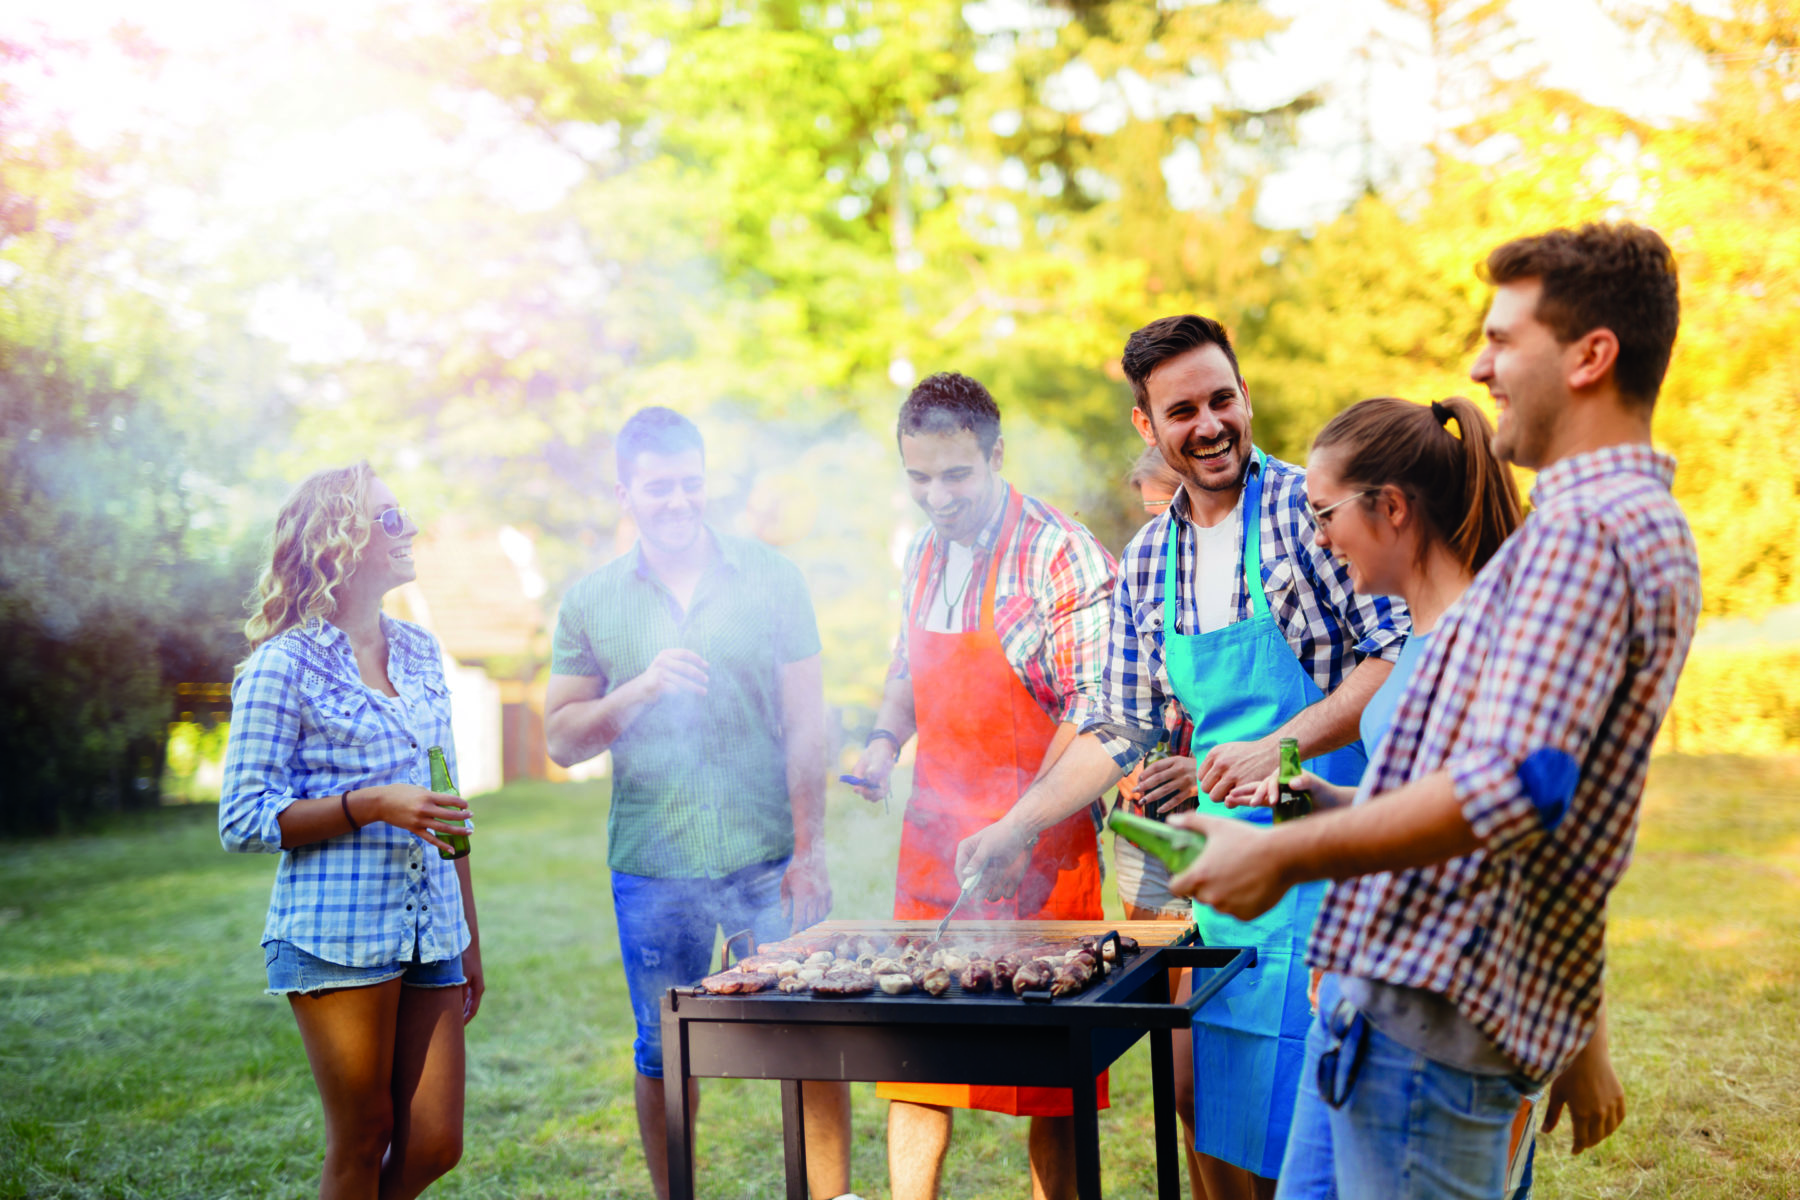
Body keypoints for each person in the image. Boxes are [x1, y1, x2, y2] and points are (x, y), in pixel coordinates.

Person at [1170, 223, 1698, 1200]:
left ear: (1591, 356)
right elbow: (1493, 797)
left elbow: (1517, 795)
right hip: (1383, 1021)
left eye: (1504, 340)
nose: (1480, 366)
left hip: (1432, 1035)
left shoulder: (1590, 532)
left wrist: (1281, 855)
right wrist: (1304, 815)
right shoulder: (1573, 533)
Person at [953, 316, 1409, 1200]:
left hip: (1336, 852)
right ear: (1146, 426)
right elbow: (1116, 724)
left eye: (1222, 400)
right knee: (1206, 1096)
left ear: (1246, 396)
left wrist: (1282, 742)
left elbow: (1392, 657)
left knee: (1332, 1108)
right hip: (1229, 878)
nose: (1208, 426)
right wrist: (1015, 826)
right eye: (1183, 410)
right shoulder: (1149, 557)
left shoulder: (1307, 511)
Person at [541, 406, 853, 1200]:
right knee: (661, 1050)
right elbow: (563, 740)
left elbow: (806, 722)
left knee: (810, 1035)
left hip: (769, 855)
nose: (677, 503)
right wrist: (641, 689)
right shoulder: (591, 603)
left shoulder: (773, 578)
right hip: (655, 865)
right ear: (625, 493)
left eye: (690, 485)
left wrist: (811, 850)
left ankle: (827, 1197)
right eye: (657, 489)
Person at [846, 372, 1115, 1200]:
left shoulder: (1061, 553)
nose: (938, 496)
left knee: (1052, 1069)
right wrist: (884, 741)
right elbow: (907, 667)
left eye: (956, 475)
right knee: (916, 1051)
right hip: (934, 840)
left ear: (997, 456)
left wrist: (1019, 826)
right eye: (918, 477)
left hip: (1045, 840)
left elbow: (1098, 711)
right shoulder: (923, 549)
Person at [220, 461, 484, 1200]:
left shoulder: (423, 652)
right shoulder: (282, 666)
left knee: (434, 1142)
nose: (411, 531)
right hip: (335, 937)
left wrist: (468, 935)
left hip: (432, 931)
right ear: (341, 541)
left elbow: (446, 800)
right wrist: (368, 804)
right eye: (391, 518)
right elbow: (241, 818)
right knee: (363, 1138)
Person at [1112, 447, 1207, 1199]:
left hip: (1234, 840)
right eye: (1149, 511)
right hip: (1149, 838)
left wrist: (1206, 773)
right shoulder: (1147, 568)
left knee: (1199, 1065)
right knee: (1177, 1064)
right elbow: (1121, 709)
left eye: (1164, 507)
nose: (1160, 526)